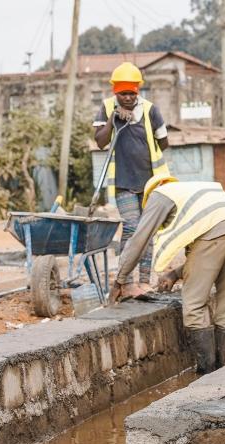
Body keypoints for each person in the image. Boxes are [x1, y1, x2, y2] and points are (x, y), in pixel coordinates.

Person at [109, 174, 225, 374]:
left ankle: (207, 371)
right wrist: (174, 274)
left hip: (213, 232)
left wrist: (119, 280)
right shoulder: (193, 193)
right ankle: (221, 370)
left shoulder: (159, 194)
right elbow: (208, 259)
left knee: (194, 305)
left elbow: (139, 240)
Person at [94, 62, 170, 291]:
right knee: (131, 227)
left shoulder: (150, 109)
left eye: (131, 93)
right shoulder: (107, 108)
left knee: (148, 231)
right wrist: (114, 119)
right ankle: (125, 282)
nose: (127, 98)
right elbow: (100, 141)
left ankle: (144, 282)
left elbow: (163, 142)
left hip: (150, 183)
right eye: (122, 94)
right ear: (115, 92)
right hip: (123, 183)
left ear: (138, 91)